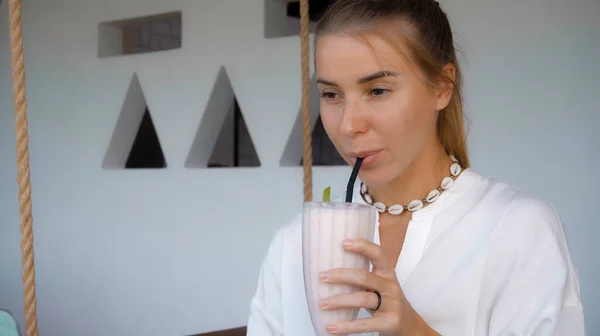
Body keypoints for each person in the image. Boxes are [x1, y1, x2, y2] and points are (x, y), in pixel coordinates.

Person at [246, 0, 585, 335]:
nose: (348, 125)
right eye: (331, 95)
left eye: (377, 90)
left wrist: (413, 329)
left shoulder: (518, 229)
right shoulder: (294, 243)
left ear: (442, 86)